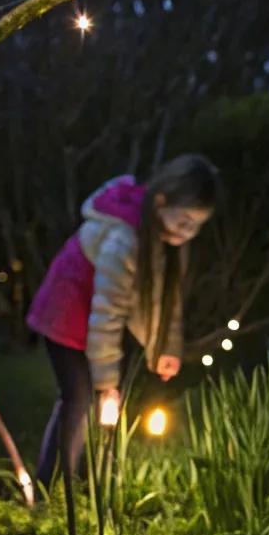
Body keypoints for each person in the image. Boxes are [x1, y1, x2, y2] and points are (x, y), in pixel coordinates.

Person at [27, 154, 220, 495]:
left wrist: (164, 349)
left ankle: (83, 482)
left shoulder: (164, 240)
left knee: (91, 398)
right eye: (186, 219)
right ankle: (51, 489)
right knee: (78, 396)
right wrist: (107, 383)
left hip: (95, 316)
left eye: (198, 224)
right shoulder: (124, 240)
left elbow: (161, 301)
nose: (190, 231)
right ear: (161, 201)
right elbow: (109, 312)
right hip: (66, 312)